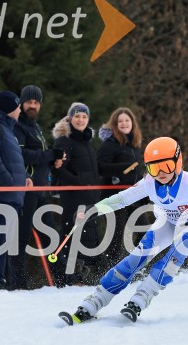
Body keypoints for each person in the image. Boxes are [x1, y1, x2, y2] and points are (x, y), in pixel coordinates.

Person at [61, 137, 188, 324]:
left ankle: (142, 297)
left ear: (177, 161)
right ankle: (96, 300)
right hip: (169, 222)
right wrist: (96, 209)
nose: (160, 173)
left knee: (178, 251)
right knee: (137, 257)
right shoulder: (149, 182)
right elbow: (122, 199)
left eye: (166, 166)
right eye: (154, 168)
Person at [12, 85, 63, 288]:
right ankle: (17, 283)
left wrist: (52, 161)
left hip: (40, 190)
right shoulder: (19, 126)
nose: (32, 106)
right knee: (21, 237)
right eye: (29, 102)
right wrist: (51, 155)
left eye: (36, 102)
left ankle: (61, 280)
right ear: (22, 104)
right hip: (27, 190)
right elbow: (21, 156)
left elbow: (38, 158)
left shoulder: (36, 127)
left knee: (51, 236)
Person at [0, 91, 32, 290]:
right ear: (10, 108)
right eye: (17, 106)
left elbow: (14, 160)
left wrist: (25, 177)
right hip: (1, 193)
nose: (20, 110)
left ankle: (0, 278)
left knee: (6, 238)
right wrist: (9, 180)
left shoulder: (9, 129)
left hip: (13, 194)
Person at [52, 102, 101, 286]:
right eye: (77, 116)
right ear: (70, 118)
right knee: (72, 235)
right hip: (73, 197)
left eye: (84, 116)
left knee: (89, 236)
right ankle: (69, 278)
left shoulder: (87, 142)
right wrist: (78, 182)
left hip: (90, 197)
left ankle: (82, 275)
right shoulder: (65, 140)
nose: (81, 120)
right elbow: (58, 169)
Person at [97, 107, 145, 265]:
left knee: (144, 230)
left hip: (135, 195)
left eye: (127, 120)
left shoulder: (135, 145)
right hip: (116, 197)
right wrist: (123, 168)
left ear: (132, 123)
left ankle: (138, 265)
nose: (124, 123)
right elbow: (101, 168)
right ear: (115, 125)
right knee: (116, 236)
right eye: (120, 121)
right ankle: (107, 270)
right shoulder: (110, 144)